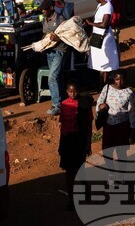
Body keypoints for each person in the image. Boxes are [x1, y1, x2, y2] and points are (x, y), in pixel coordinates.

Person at [58, 82, 92, 210]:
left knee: (79, 168)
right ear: (67, 92)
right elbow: (62, 125)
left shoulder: (84, 103)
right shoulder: (64, 104)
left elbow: (89, 124)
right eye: (70, 92)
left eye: (75, 91)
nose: (73, 94)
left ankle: (86, 189)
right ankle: (72, 199)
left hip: (79, 140)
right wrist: (61, 145)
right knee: (69, 171)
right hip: (67, 140)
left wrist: (88, 143)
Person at [96, 69, 135, 150]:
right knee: (107, 150)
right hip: (108, 125)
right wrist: (101, 106)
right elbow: (99, 102)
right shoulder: (107, 88)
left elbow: (132, 113)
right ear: (114, 79)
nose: (119, 82)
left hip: (122, 126)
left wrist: (132, 132)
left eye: (122, 79)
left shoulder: (129, 92)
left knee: (121, 151)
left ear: (126, 79)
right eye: (117, 79)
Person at [41, 0, 68, 116]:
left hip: (59, 51)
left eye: (44, 10)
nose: (43, 12)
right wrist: (41, 43)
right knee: (58, 77)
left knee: (52, 78)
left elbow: (67, 36)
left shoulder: (60, 19)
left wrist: (55, 38)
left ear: (51, 8)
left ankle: (56, 105)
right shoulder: (44, 20)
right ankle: (63, 101)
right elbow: (45, 34)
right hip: (49, 52)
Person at [86, 0, 119, 84]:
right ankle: (98, 82)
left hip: (104, 37)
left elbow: (104, 24)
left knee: (105, 59)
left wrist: (90, 24)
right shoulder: (100, 5)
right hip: (97, 35)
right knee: (96, 59)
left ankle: (104, 83)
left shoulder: (108, 7)